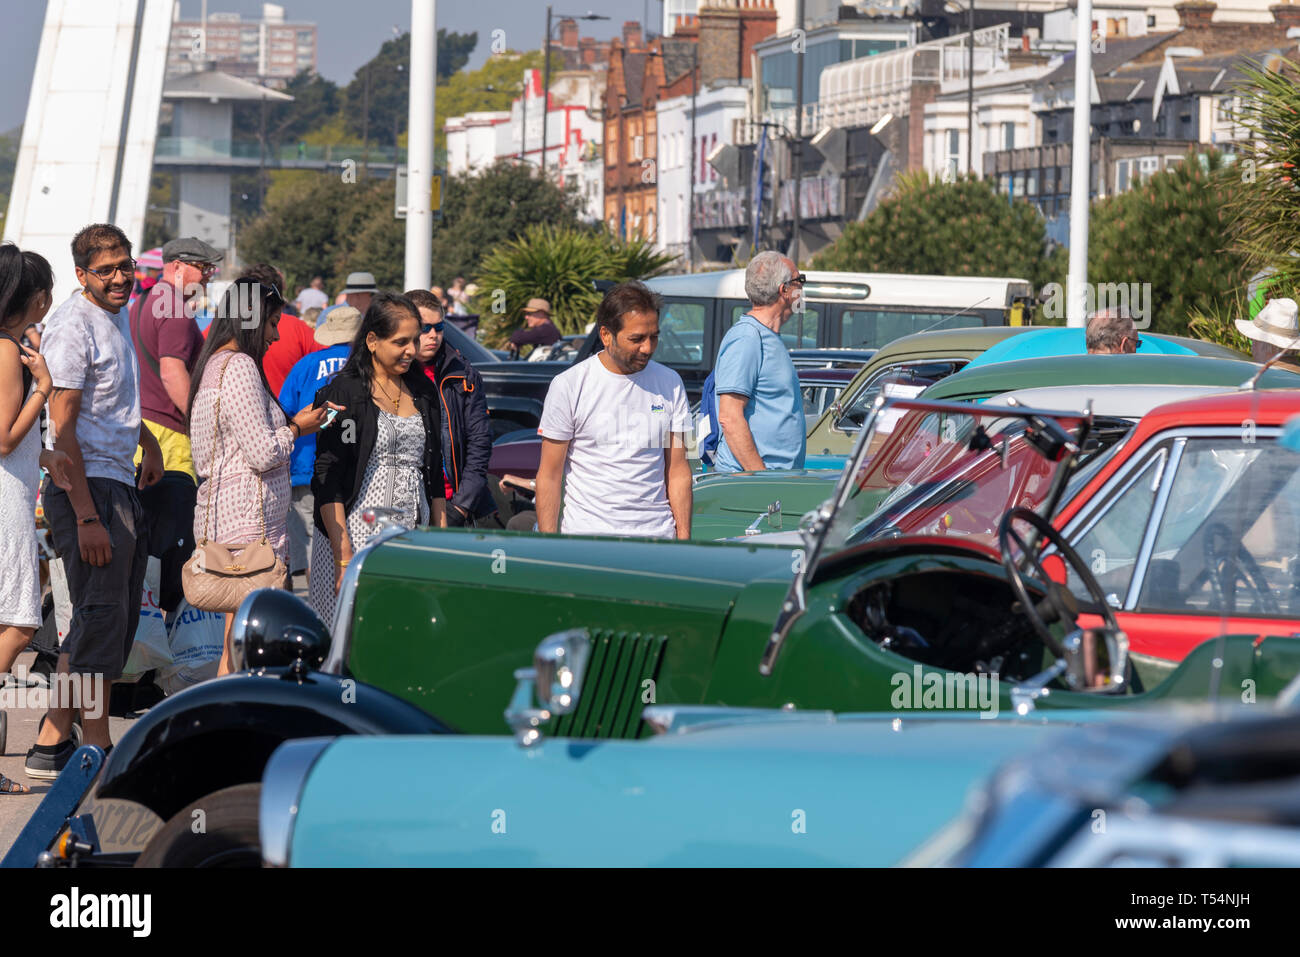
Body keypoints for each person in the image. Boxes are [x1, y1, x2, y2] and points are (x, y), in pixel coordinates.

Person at [28, 224, 165, 779]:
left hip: (117, 480)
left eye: (124, 266)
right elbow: (62, 430)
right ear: (82, 275)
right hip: (88, 489)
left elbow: (106, 409)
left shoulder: (112, 317)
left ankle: (51, 743)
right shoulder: (72, 325)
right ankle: (96, 746)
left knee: (105, 621)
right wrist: (85, 515)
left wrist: (147, 439)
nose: (118, 277)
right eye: (105, 270)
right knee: (102, 620)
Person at [188, 279, 338, 674]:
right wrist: (297, 429)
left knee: (235, 642)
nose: (275, 335)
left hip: (235, 523)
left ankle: (227, 721)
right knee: (244, 647)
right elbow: (262, 451)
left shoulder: (217, 364)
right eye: (272, 323)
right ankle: (229, 722)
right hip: (247, 530)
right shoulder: (238, 367)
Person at [310, 294, 448, 623]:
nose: (412, 350)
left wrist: (441, 543)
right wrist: (343, 555)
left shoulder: (425, 393)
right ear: (372, 340)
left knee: (403, 634)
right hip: (353, 540)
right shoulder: (343, 393)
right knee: (349, 641)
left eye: (415, 340)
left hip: (412, 538)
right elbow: (327, 476)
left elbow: (434, 473)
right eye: (401, 342)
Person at [535, 281, 692, 538]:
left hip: (658, 539)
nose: (648, 348)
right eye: (637, 339)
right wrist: (550, 546)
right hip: (587, 542)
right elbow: (549, 475)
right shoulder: (568, 385)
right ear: (606, 335)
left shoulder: (671, 382)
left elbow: (678, 468)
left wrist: (683, 539)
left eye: (654, 336)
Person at [0, 244, 72, 794]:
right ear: (36, 297)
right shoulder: (7, 352)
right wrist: (43, 388)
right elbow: (4, 437)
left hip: (14, 489)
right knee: (21, 621)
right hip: (6, 501)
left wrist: (44, 456)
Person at [129, 236, 220, 615]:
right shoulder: (177, 311)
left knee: (145, 551)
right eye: (203, 267)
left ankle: (142, 652)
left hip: (142, 434)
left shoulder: (142, 302)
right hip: (169, 442)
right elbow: (171, 372)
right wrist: (201, 425)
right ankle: (161, 656)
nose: (209, 275)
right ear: (178, 265)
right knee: (170, 554)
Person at [278, 306, 362, 585]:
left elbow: (284, 413)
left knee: (315, 548)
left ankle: (319, 613)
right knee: (352, 540)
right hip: (357, 470)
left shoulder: (306, 365)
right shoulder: (368, 366)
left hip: (308, 467)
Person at [407, 290, 496, 527]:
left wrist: (461, 507)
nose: (433, 335)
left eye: (439, 327)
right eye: (425, 328)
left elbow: (480, 442)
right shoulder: (389, 375)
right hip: (404, 507)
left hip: (453, 505)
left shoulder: (463, 373)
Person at [712, 251, 806, 473]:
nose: (802, 289)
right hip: (753, 485)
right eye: (799, 281)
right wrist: (761, 480)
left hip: (772, 481)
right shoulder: (747, 337)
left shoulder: (766, 336)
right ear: (784, 290)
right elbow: (730, 416)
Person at [243, 263, 320, 395]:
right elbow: (329, 363)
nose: (276, 336)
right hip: (291, 413)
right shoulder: (298, 329)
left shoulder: (220, 331)